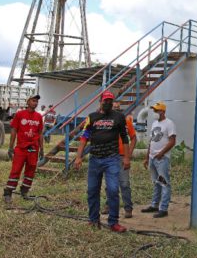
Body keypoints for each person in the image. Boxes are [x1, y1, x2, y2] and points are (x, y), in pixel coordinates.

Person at [73, 91, 130, 232]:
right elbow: (84, 138)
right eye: (105, 101)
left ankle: (113, 223)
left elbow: (125, 138)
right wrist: (79, 157)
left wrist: (127, 158)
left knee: (112, 190)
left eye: (110, 101)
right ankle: (93, 220)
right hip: (95, 160)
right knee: (92, 190)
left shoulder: (119, 117)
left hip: (112, 159)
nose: (108, 103)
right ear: (100, 102)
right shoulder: (91, 117)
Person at [3, 94, 44, 204]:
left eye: (36, 101)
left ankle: (24, 191)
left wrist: (42, 149)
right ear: (28, 102)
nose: (35, 103)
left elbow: (40, 134)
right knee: (16, 170)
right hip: (21, 148)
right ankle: (8, 193)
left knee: (30, 169)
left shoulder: (39, 117)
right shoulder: (20, 114)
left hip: (32, 149)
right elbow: (13, 131)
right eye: (33, 100)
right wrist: (10, 147)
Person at [141, 101, 176, 218]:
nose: (154, 112)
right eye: (154, 110)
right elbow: (151, 141)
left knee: (164, 183)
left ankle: (163, 208)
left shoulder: (169, 123)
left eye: (156, 110)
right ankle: (154, 205)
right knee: (156, 182)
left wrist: (161, 153)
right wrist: (147, 157)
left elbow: (172, 141)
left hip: (162, 158)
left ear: (163, 111)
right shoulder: (154, 123)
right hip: (152, 157)